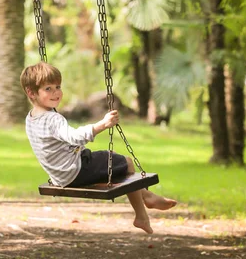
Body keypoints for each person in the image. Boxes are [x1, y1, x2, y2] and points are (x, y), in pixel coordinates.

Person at [20, 61, 177, 234]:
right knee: (126, 162)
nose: (56, 92)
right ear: (31, 93)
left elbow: (54, 143)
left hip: (60, 175)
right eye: (48, 89)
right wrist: (102, 124)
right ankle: (142, 215)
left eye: (57, 86)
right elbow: (75, 137)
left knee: (107, 158)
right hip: (77, 170)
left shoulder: (31, 118)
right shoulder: (53, 119)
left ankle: (147, 197)